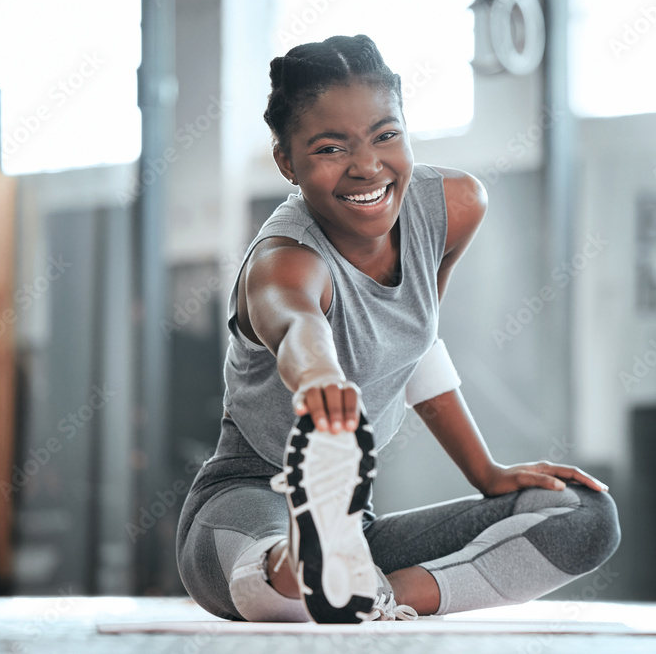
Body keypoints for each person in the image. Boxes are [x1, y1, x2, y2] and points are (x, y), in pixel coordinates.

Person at [176, 34, 620, 623]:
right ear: (286, 161)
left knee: (583, 514)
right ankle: (303, 566)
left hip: (356, 528)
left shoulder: (453, 206)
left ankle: (371, 592)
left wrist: (488, 473)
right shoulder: (283, 261)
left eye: (386, 135)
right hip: (238, 507)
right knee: (269, 586)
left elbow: (414, 347)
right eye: (331, 148)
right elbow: (295, 325)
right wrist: (320, 383)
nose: (367, 166)